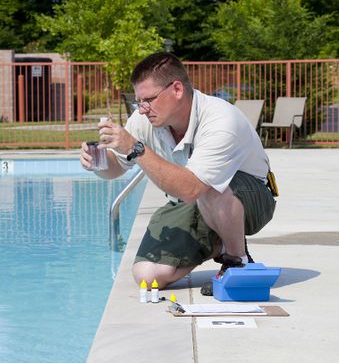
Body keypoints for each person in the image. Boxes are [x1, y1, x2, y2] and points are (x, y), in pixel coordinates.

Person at [80, 52, 276, 294]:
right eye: (138, 102)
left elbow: (192, 188)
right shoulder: (145, 120)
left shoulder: (220, 119)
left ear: (177, 89)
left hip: (249, 200)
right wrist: (97, 163)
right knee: (148, 278)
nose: (142, 110)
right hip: (192, 201)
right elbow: (116, 167)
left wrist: (135, 148)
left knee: (209, 187)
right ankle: (217, 243)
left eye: (148, 100)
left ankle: (237, 260)